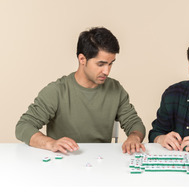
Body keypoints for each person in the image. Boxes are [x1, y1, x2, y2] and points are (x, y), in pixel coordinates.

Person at [16, 27, 146, 154]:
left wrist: (134, 137)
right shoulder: (57, 91)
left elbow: (135, 123)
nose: (107, 71)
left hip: (101, 162)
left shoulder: (115, 89)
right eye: (100, 64)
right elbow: (24, 126)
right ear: (82, 59)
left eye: (111, 63)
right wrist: (50, 143)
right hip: (63, 160)